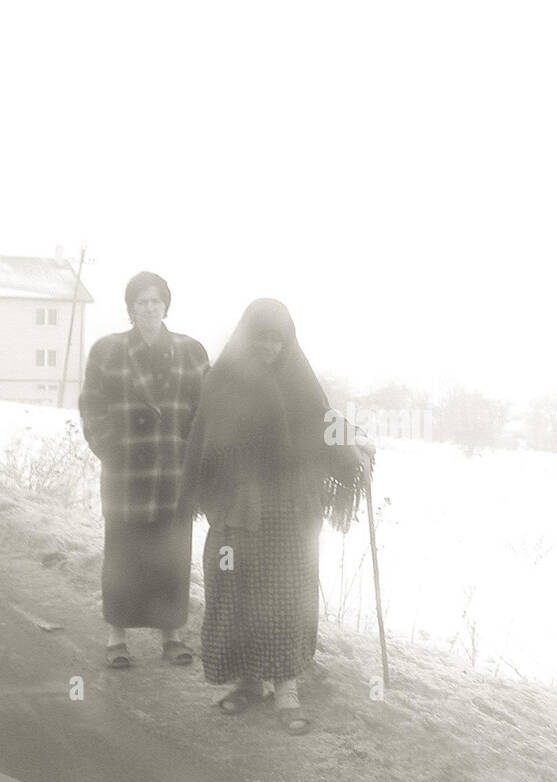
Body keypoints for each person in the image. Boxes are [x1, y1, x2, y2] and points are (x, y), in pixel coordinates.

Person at [179, 298, 374, 734]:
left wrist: (355, 445)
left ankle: (287, 687)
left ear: (288, 342)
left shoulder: (299, 382)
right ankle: (248, 682)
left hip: (289, 507)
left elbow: (324, 421)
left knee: (287, 595)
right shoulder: (222, 381)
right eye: (262, 338)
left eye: (277, 339)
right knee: (237, 593)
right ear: (247, 337)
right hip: (237, 507)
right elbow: (201, 436)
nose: (269, 346)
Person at [79, 272, 209, 668]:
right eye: (141, 301)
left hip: (173, 476)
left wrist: (193, 457)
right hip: (126, 476)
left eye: (155, 301)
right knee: (124, 557)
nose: (149, 307)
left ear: (166, 305)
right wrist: (112, 449)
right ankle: (116, 637)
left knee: (170, 558)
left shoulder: (193, 352)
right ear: (130, 308)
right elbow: (92, 407)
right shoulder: (107, 351)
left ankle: (172, 635)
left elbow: (206, 414)